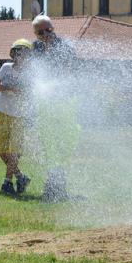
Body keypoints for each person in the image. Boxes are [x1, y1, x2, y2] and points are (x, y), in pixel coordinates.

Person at [28, 15, 80, 202]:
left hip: (66, 100)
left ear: (53, 28)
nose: (46, 34)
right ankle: (54, 184)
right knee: (49, 144)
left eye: (48, 30)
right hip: (45, 104)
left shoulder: (65, 46)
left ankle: (57, 182)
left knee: (68, 140)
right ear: (36, 34)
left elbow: (69, 70)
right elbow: (33, 74)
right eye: (41, 32)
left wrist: (56, 84)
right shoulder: (35, 48)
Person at [0, 39, 33, 196]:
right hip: (2, 111)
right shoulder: (6, 67)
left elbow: (31, 94)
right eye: (18, 52)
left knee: (13, 150)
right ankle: (20, 177)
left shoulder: (30, 73)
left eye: (25, 53)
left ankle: (7, 182)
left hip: (19, 115)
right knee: (0, 149)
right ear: (13, 53)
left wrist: (21, 92)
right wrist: (8, 87)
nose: (21, 55)